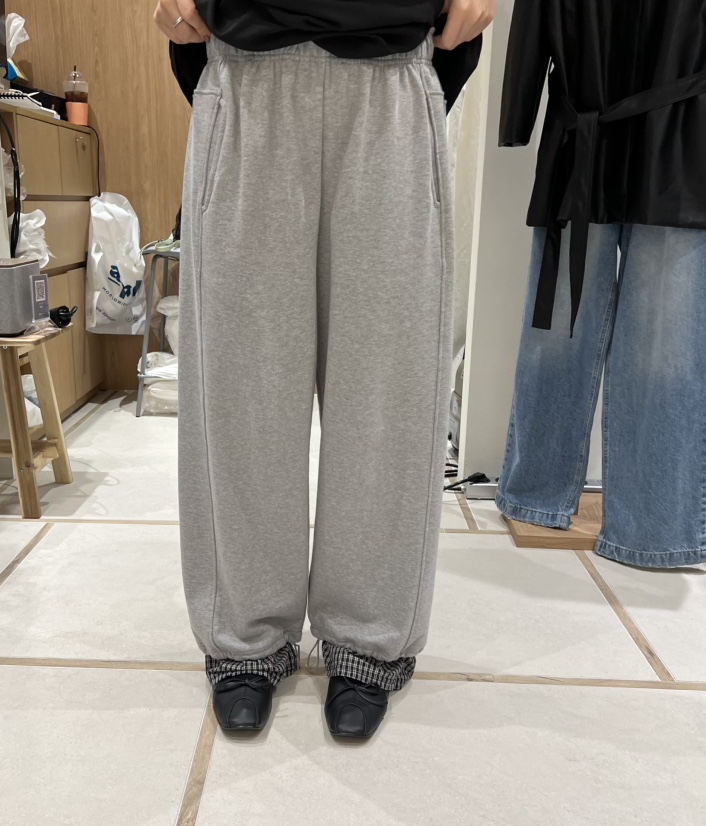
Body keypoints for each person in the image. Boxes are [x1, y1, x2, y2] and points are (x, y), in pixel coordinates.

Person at [154, 0, 494, 739]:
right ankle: (245, 637)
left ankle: (367, 637)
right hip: (245, 68)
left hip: (393, 72)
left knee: (387, 392)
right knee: (240, 389)